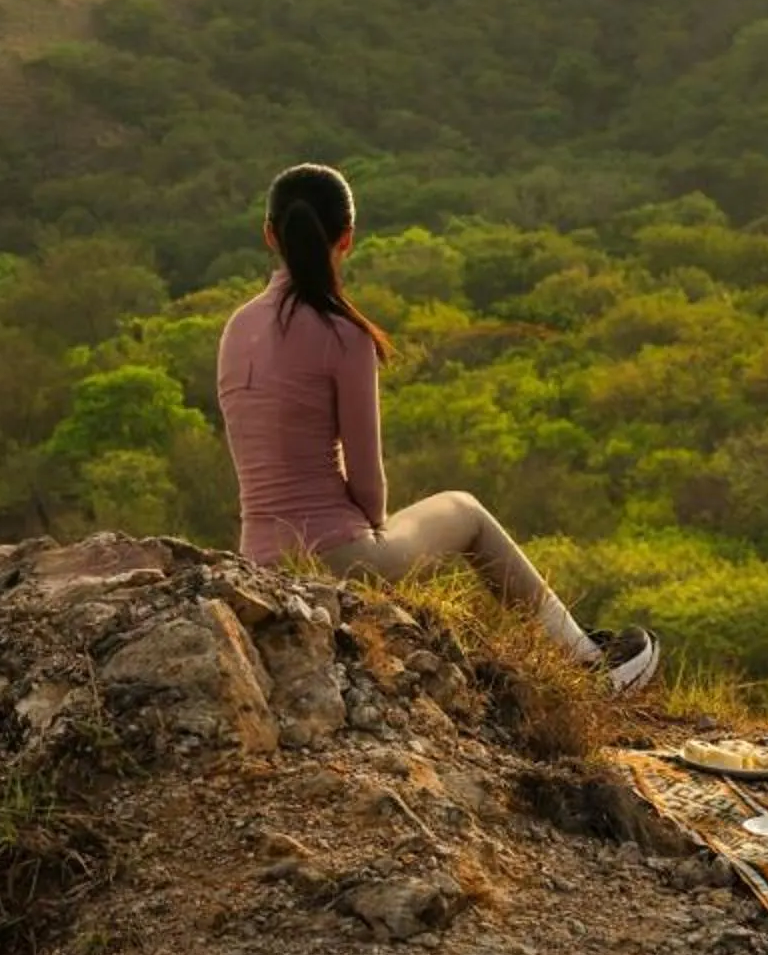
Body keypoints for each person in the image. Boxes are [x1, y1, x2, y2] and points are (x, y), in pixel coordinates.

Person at [216, 161, 661, 691]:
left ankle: (583, 658)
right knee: (465, 510)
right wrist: (372, 534)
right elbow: (366, 479)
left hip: (256, 567)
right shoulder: (344, 333)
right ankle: (586, 663)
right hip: (338, 558)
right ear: (348, 239)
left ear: (270, 235)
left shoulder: (236, 327)